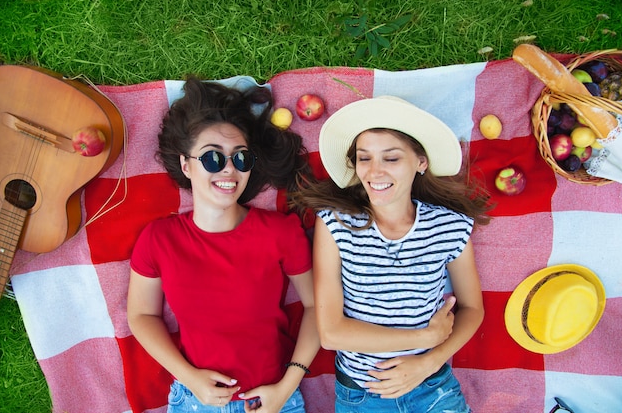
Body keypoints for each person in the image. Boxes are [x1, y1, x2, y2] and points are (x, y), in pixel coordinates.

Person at [127, 77, 319, 413]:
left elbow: (319, 307)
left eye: (240, 158)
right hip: (194, 400)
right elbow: (141, 315)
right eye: (213, 159)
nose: (229, 169)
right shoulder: (158, 239)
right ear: (186, 165)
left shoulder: (281, 232)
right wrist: (189, 377)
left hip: (274, 399)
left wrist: (288, 385)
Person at [291, 96, 492, 413]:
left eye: (391, 158)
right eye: (364, 158)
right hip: (363, 395)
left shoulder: (450, 225)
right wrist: (423, 337)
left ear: (421, 162)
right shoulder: (336, 223)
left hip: (431, 385)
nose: (375, 171)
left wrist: (430, 359)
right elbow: (331, 333)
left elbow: (472, 308)